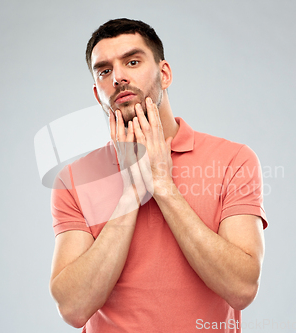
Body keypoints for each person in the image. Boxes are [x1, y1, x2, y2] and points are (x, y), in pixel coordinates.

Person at [49, 18, 267, 332]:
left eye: (132, 62)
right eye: (104, 70)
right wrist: (130, 194)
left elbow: (242, 288)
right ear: (98, 93)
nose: (118, 77)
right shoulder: (73, 180)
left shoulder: (234, 160)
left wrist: (164, 187)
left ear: (164, 74)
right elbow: (72, 307)